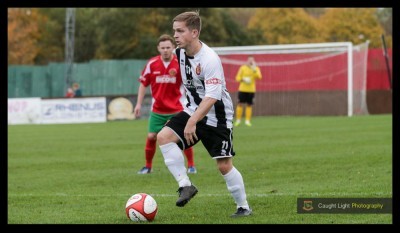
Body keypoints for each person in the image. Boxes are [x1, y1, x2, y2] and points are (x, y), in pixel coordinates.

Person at [156, 11, 252, 217]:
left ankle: (243, 207)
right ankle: (185, 186)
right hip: (192, 109)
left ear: (194, 32)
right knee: (164, 137)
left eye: (180, 31)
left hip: (217, 115)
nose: (175, 36)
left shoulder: (210, 59)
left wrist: (192, 121)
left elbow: (213, 95)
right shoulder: (180, 52)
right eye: (174, 31)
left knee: (224, 165)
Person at [134, 34, 197, 175]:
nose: (165, 50)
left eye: (168, 47)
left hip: (177, 109)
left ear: (173, 47)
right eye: (163, 48)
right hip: (157, 110)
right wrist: (138, 104)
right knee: (151, 137)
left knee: (184, 136)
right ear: (158, 48)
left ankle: (191, 165)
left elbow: (189, 85)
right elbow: (143, 84)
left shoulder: (180, 63)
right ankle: (147, 166)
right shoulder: (152, 64)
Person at [234, 55, 262, 127]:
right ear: (247, 60)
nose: (250, 61)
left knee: (249, 104)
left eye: (252, 60)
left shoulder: (256, 68)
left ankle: (247, 121)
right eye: (249, 60)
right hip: (242, 89)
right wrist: (243, 79)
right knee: (240, 103)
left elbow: (259, 77)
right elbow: (237, 77)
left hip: (251, 90)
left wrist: (254, 69)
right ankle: (238, 120)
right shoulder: (242, 68)